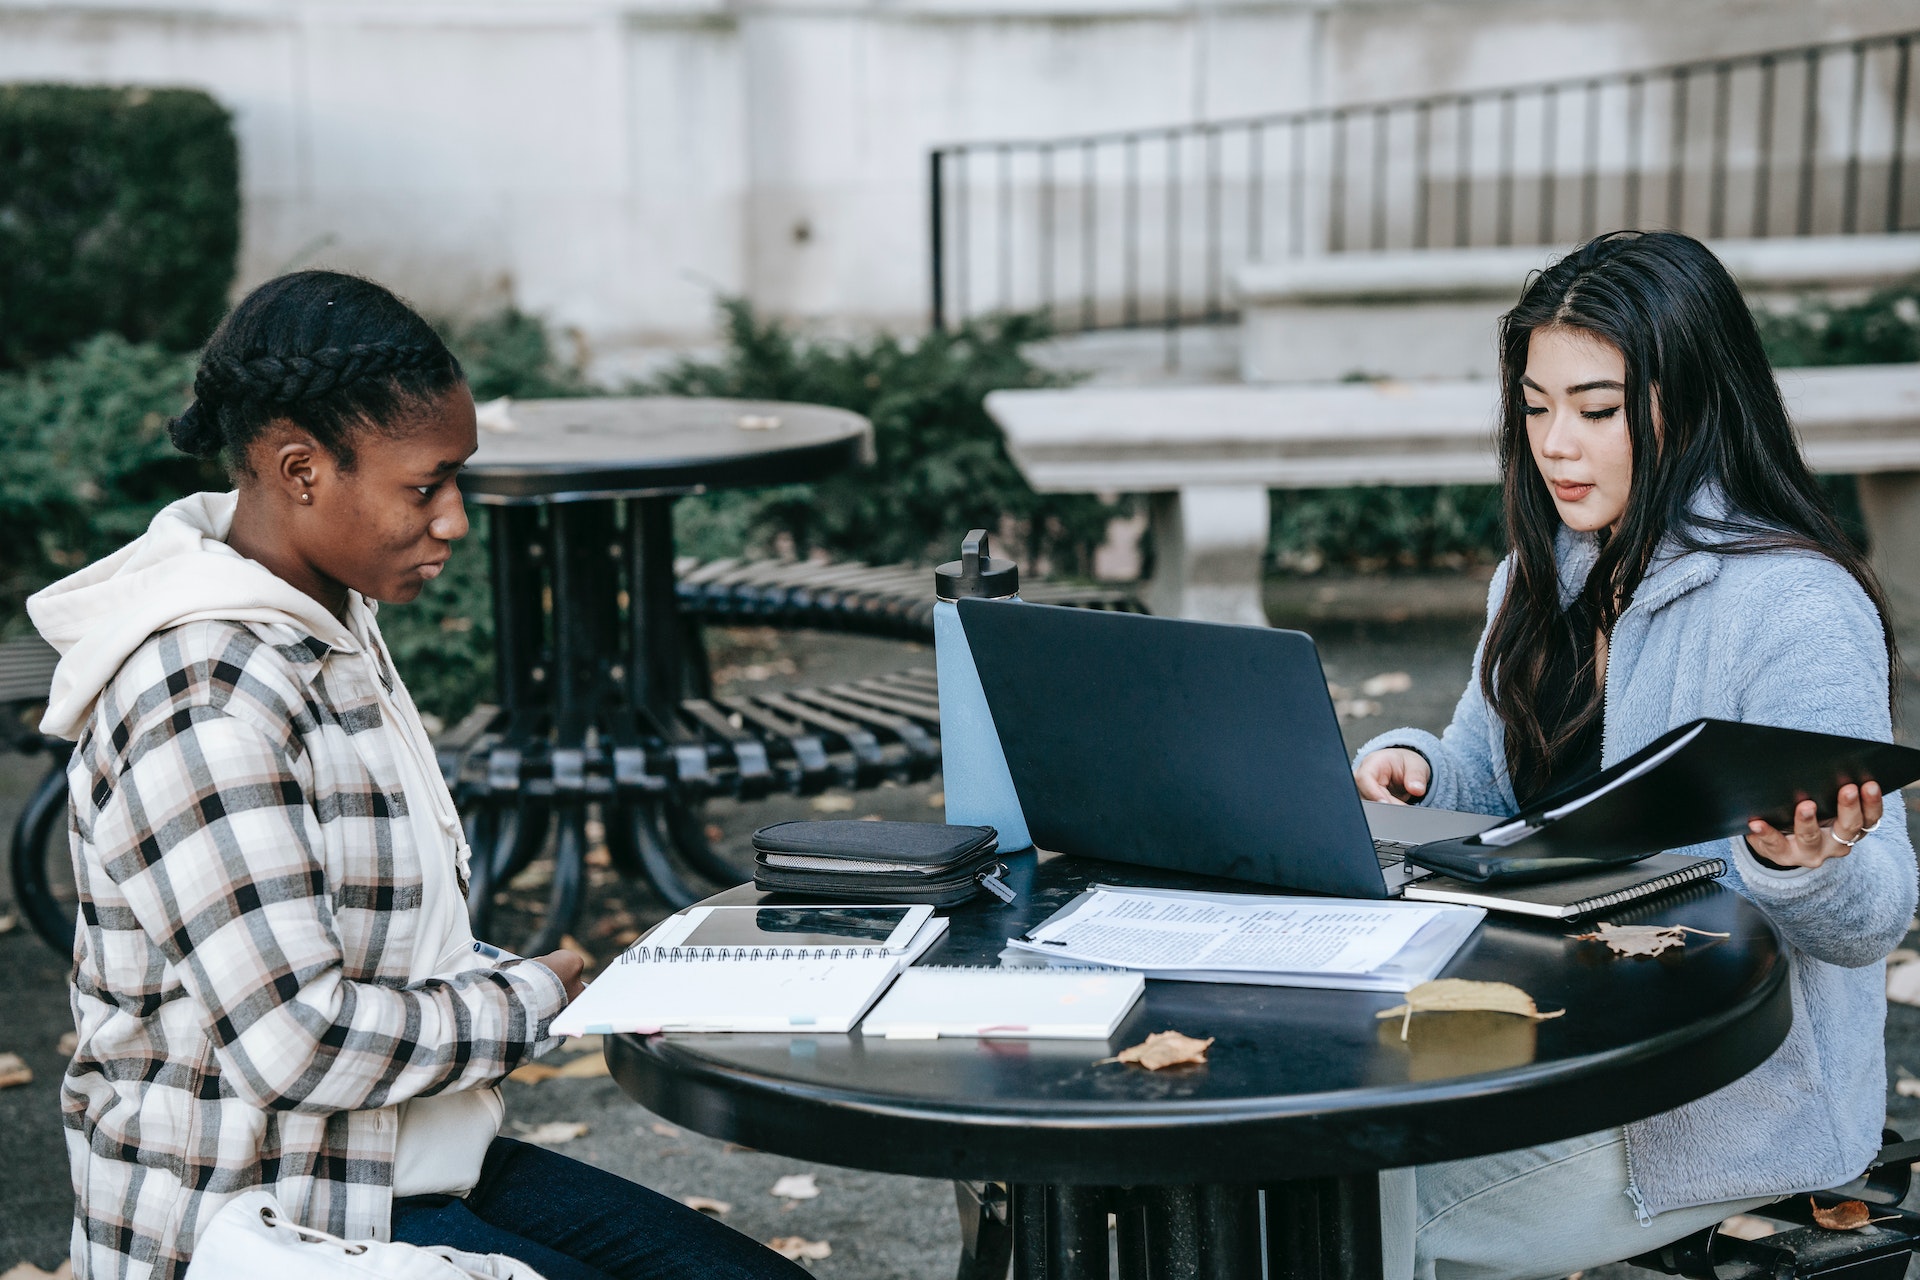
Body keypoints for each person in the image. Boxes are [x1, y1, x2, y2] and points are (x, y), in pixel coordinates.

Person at [29, 271, 812, 1280]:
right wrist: (532, 997)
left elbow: (369, 934)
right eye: (424, 486)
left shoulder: (327, 624)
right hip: (251, 1215)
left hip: (390, 1157)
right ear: (301, 469)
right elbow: (298, 1043)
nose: (455, 521)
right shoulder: (208, 698)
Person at [1350, 230, 1915, 1280]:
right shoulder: (1541, 570)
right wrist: (1419, 770)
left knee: (1358, 1219)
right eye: (1535, 405)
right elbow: (1489, 785)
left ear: (1692, 403)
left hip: (1714, 1098)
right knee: (1321, 1163)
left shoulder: (1794, 604)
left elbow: (1877, 911)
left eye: (1597, 409)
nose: (1556, 443)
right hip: (1540, 1030)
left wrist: (1804, 859)